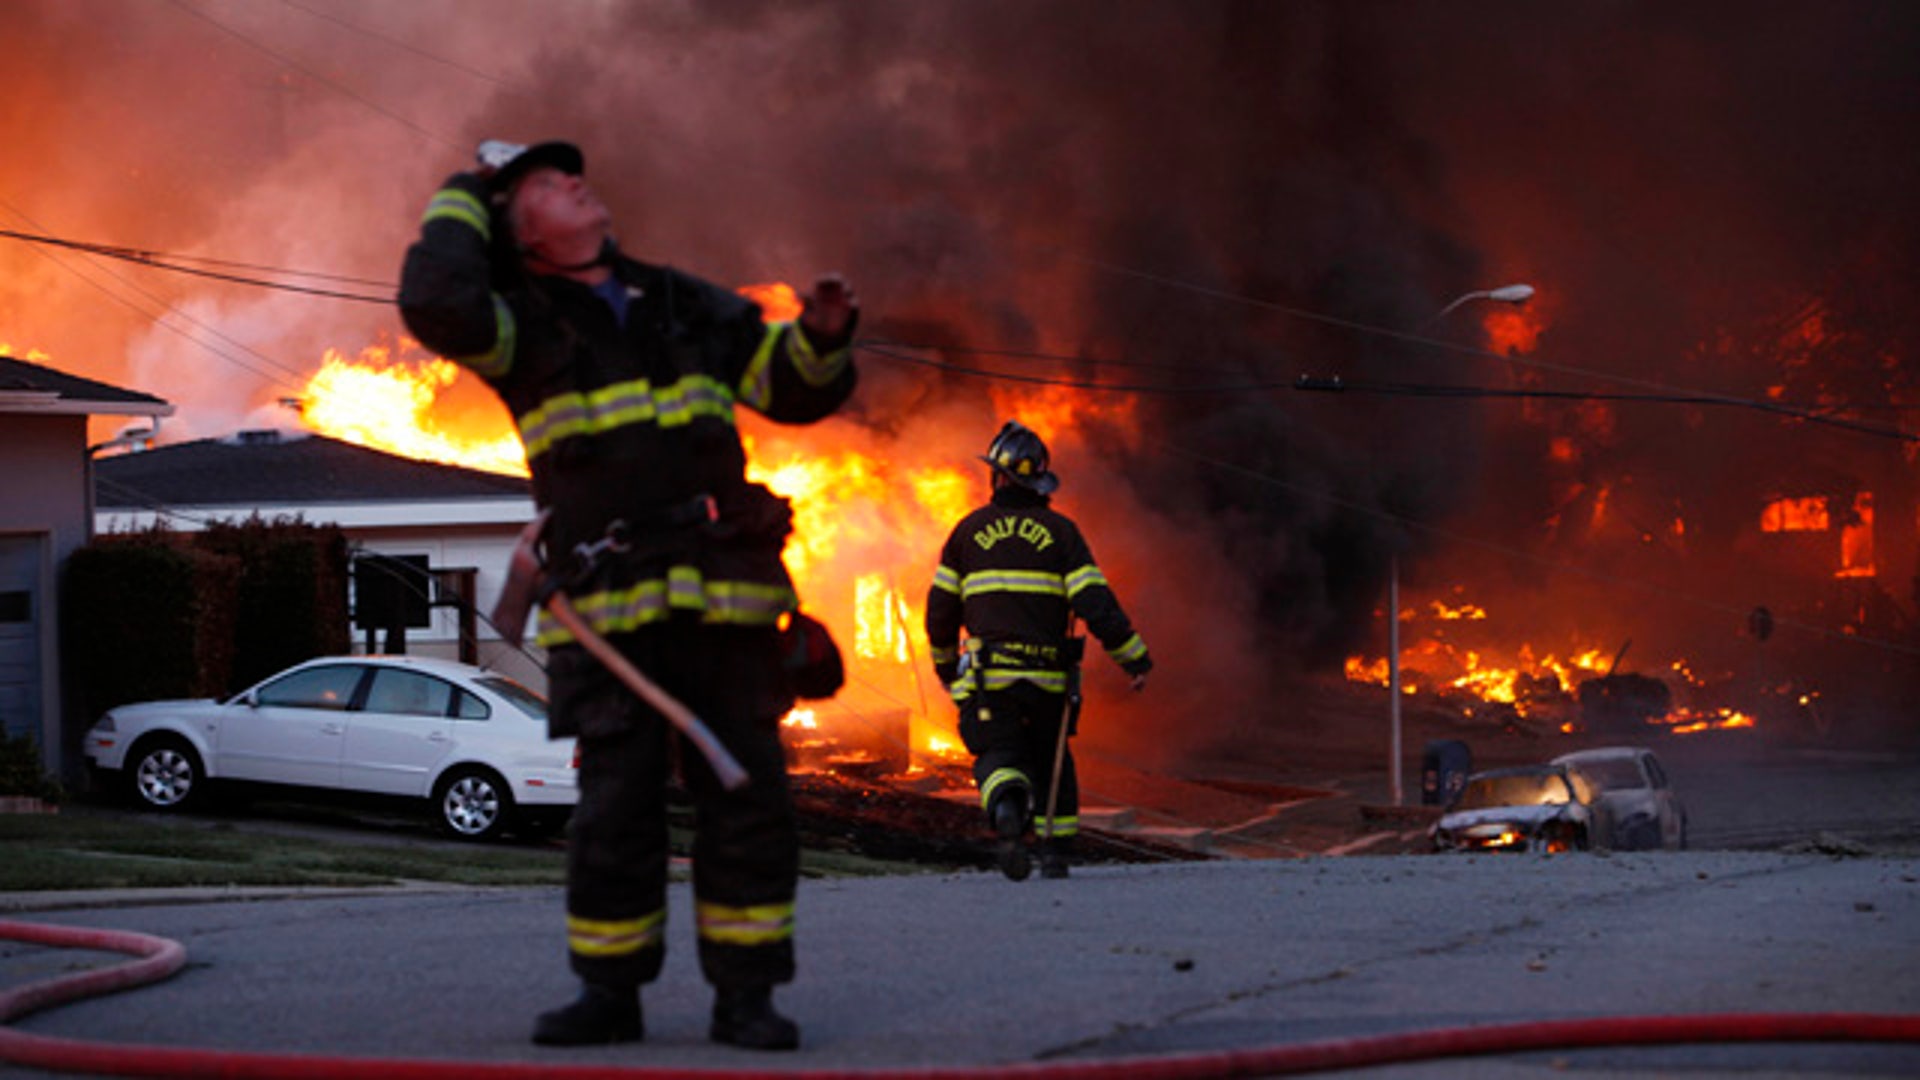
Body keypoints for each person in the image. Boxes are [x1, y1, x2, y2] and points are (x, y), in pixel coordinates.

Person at [398, 139, 858, 1051]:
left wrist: (822, 339)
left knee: (751, 808)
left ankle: (748, 998)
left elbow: (786, 387)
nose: (572, 178)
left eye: (570, 172)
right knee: (615, 814)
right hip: (610, 619)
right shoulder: (518, 324)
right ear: (519, 232)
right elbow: (435, 300)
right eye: (540, 181)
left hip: (727, 605)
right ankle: (608, 994)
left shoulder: (682, 301)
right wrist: (467, 190)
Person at [924, 420, 1150, 881]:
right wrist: (1133, 657)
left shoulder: (968, 533)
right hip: (1048, 681)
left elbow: (940, 611)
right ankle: (1054, 854)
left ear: (998, 476)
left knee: (997, 755)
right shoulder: (1062, 533)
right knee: (1052, 762)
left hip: (990, 681)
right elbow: (1095, 604)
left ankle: (1007, 808)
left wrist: (947, 668)